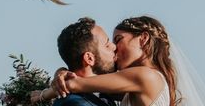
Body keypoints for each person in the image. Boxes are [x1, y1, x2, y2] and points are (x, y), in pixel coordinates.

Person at [33, 16, 176, 106]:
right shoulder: (136, 83)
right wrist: (62, 72)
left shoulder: (145, 76)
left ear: (143, 39)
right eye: (109, 43)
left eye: (118, 40)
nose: (114, 47)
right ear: (89, 58)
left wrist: (41, 95)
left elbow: (74, 84)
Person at [37, 17, 118, 106]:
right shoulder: (74, 103)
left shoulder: (102, 93)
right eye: (107, 45)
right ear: (89, 58)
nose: (114, 47)